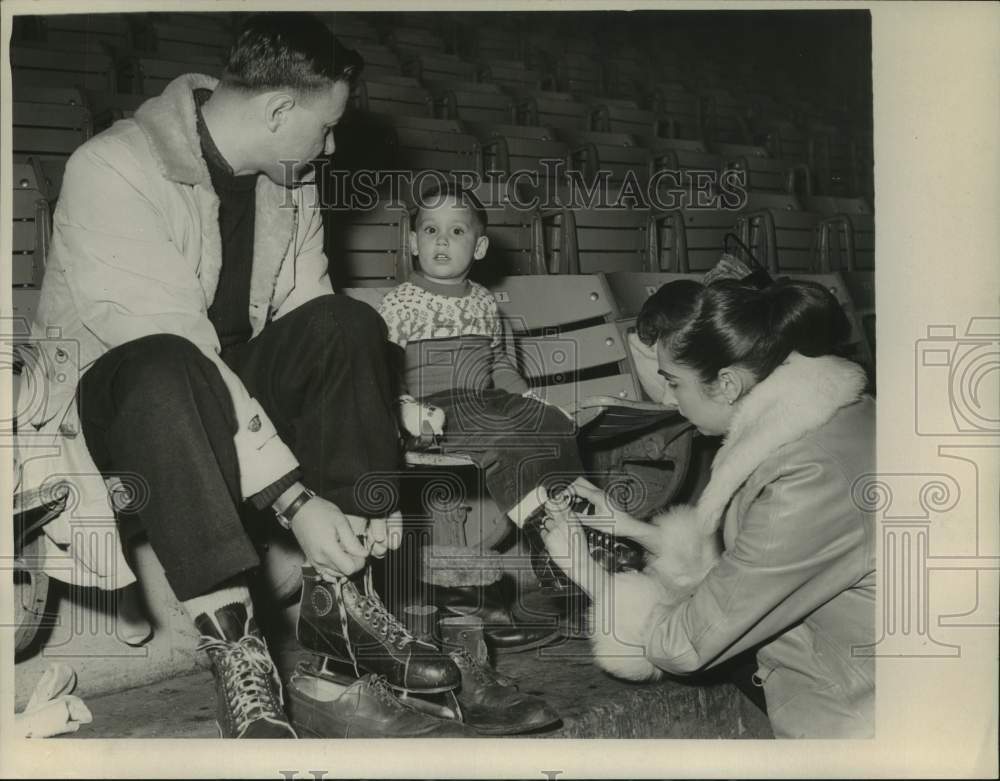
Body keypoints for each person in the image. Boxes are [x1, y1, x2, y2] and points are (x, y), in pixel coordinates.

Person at [18, 13, 457, 739]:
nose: (331, 146)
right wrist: (295, 499)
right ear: (279, 111)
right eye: (326, 128)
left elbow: (311, 315)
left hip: (224, 390)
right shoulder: (112, 168)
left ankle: (341, 605)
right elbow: (178, 347)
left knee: (348, 323)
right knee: (168, 367)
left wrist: (368, 457)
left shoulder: (289, 177)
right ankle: (239, 653)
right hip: (114, 404)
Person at [540, 278, 876, 739]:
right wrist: (637, 532)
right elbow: (761, 568)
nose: (667, 400)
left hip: (860, 727)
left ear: (728, 384)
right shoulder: (842, 418)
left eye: (673, 382)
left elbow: (682, 646)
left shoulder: (802, 478)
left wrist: (588, 574)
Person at [375, 182, 585, 642]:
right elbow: (384, 370)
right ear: (413, 242)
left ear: (480, 246)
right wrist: (404, 407)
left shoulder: (485, 301)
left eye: (456, 231)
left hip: (484, 400)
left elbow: (500, 364)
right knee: (501, 432)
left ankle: (569, 533)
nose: (442, 240)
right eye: (430, 230)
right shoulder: (399, 302)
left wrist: (527, 399)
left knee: (554, 423)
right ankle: (543, 541)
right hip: (434, 409)